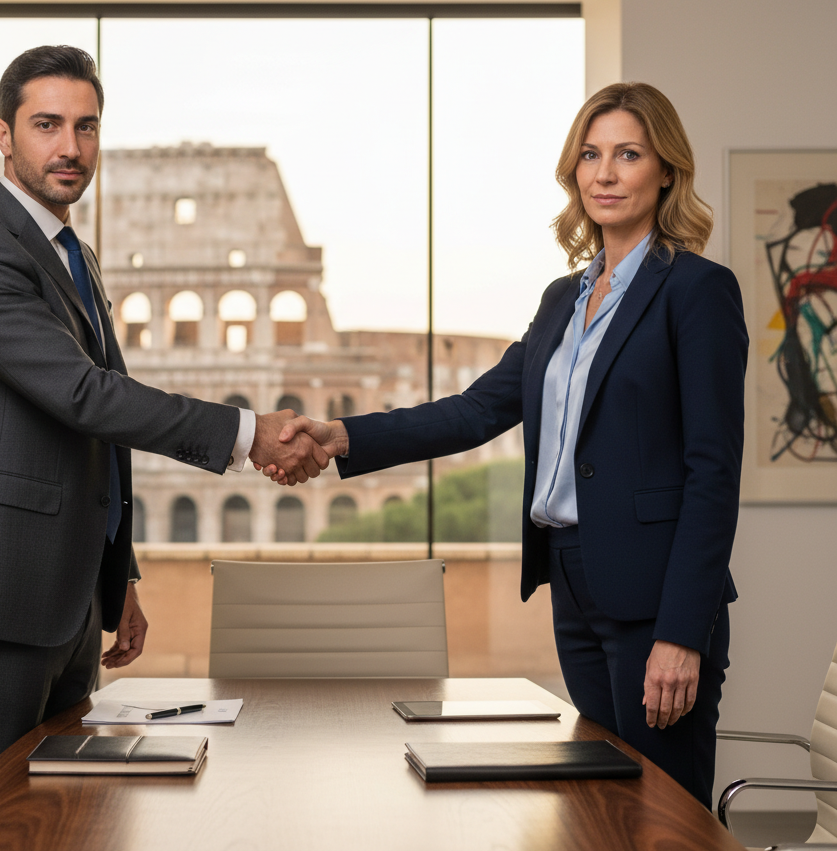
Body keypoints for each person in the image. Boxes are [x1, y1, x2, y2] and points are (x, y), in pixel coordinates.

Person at [260, 82, 747, 807]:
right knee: (598, 810)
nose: (605, 173)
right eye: (590, 154)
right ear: (573, 171)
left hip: (654, 594)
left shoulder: (696, 290)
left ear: (666, 170)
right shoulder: (564, 299)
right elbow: (477, 409)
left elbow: (713, 473)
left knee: (662, 818)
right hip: (574, 584)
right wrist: (340, 436)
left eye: (628, 154)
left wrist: (683, 633)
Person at [0, 45, 327, 812]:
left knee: (63, 815)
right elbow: (85, 397)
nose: (70, 147)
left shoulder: (74, 257)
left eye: (87, 127)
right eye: (47, 125)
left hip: (64, 601)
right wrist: (247, 434)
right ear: (4, 134)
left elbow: (94, 438)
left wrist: (116, 575)